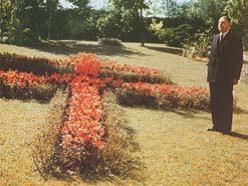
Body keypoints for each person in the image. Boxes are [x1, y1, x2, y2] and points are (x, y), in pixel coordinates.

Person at [207, 16, 243, 134]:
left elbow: (238, 59)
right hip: (214, 76)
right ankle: (216, 125)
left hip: (227, 77)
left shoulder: (235, 39)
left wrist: (236, 76)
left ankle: (226, 127)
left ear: (229, 25)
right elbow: (212, 57)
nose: (220, 25)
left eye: (223, 23)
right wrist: (209, 74)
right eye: (219, 22)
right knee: (215, 101)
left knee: (225, 102)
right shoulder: (215, 37)